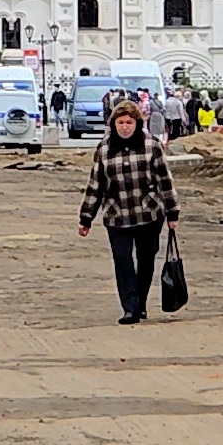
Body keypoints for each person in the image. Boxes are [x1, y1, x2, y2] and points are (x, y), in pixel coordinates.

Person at [77, 100, 180, 325]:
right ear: (113, 124)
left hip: (149, 213)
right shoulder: (104, 149)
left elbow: (165, 180)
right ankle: (130, 308)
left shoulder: (152, 145)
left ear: (137, 123)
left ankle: (140, 302)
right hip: (117, 215)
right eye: (120, 122)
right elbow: (95, 184)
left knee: (146, 259)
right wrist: (86, 217)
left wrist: (173, 212)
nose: (125, 127)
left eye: (129, 122)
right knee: (122, 260)